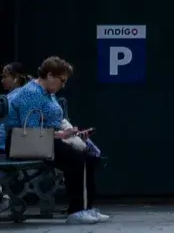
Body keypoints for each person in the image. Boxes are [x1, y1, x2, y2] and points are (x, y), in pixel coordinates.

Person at [0, 57, 104, 225]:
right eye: (61, 80)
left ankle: (86, 207)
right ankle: (76, 211)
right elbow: (32, 132)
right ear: (49, 75)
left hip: (46, 138)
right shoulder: (32, 93)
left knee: (89, 157)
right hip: (26, 143)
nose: (63, 85)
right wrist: (63, 135)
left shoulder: (48, 93)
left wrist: (67, 133)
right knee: (76, 158)